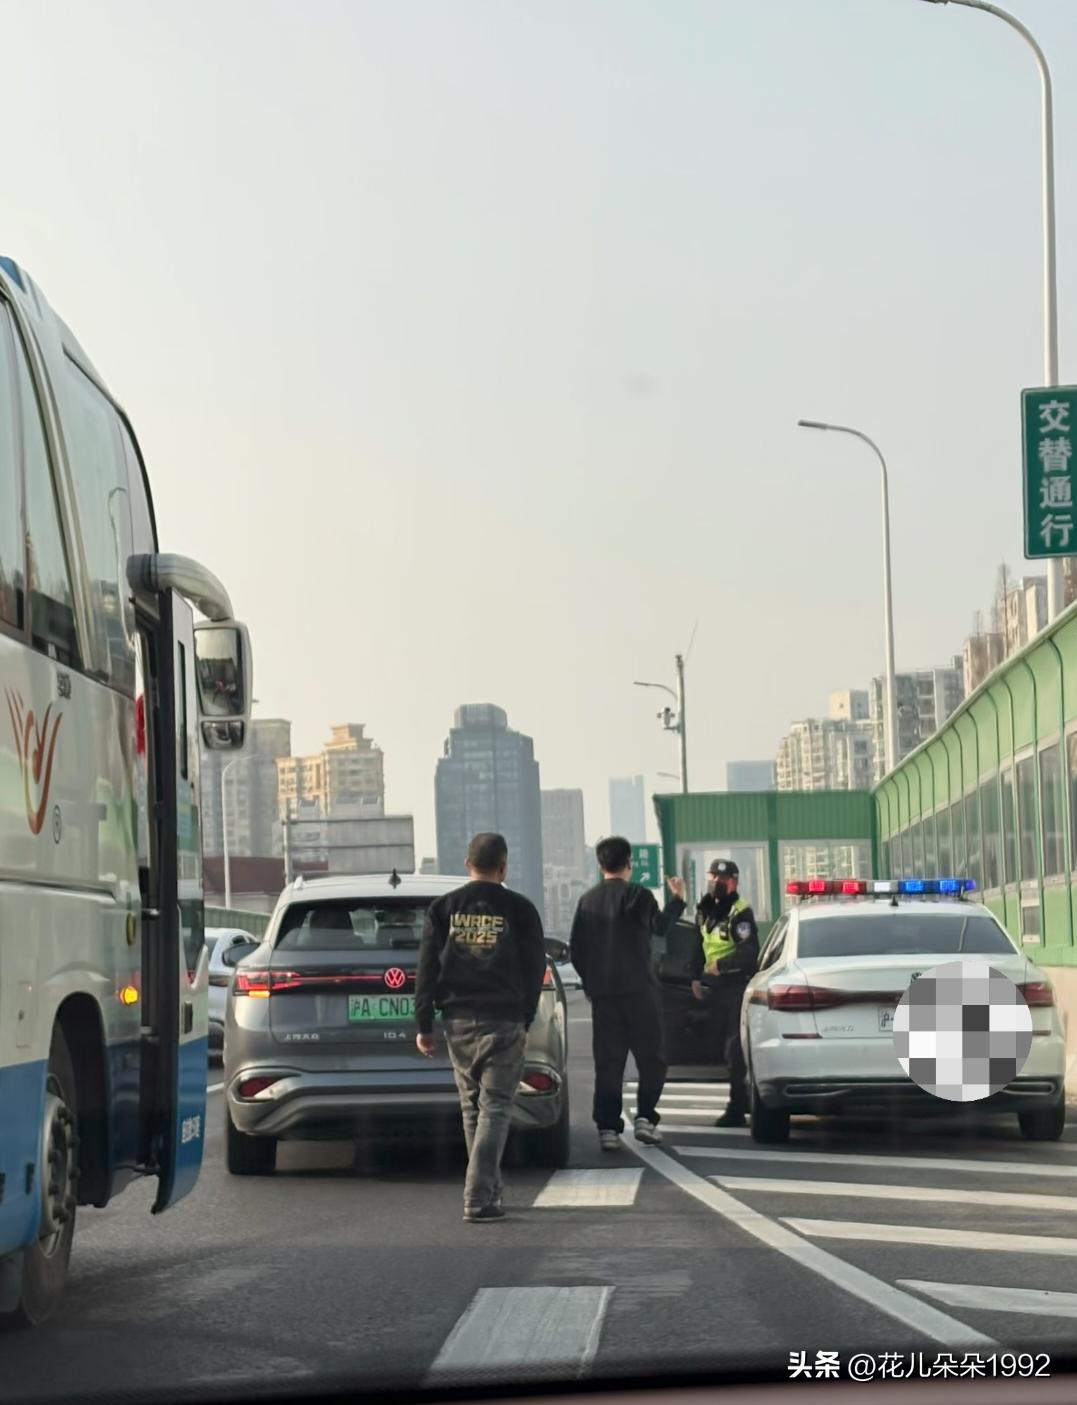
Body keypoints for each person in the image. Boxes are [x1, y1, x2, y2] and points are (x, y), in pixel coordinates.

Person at [414, 832, 546, 1223]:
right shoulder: (520, 908)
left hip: (457, 1021)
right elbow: (534, 966)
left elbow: (427, 969)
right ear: (503, 867)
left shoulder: (443, 908)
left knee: (473, 1108)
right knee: (496, 1108)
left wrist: (424, 1023)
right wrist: (526, 1014)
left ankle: (490, 1190)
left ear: (467, 864)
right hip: (504, 1019)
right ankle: (478, 1196)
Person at [570, 836, 686, 1150]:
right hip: (640, 993)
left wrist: (593, 982)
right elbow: (660, 927)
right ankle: (646, 1118)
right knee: (652, 1058)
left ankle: (608, 1129)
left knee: (609, 1063)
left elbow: (577, 951)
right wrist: (677, 898)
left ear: (600, 865)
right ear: (629, 862)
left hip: (604, 996)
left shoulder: (587, 901)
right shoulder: (639, 895)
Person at [690, 859, 759, 1127]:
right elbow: (698, 945)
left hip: (734, 986)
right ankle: (739, 1101)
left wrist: (722, 965)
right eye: (712, 878)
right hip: (711, 988)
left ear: (734, 882)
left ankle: (737, 1107)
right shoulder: (705, 909)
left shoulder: (740, 912)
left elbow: (749, 952)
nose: (715, 883)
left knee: (733, 1049)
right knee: (717, 1045)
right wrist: (695, 977)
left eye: (721, 879)